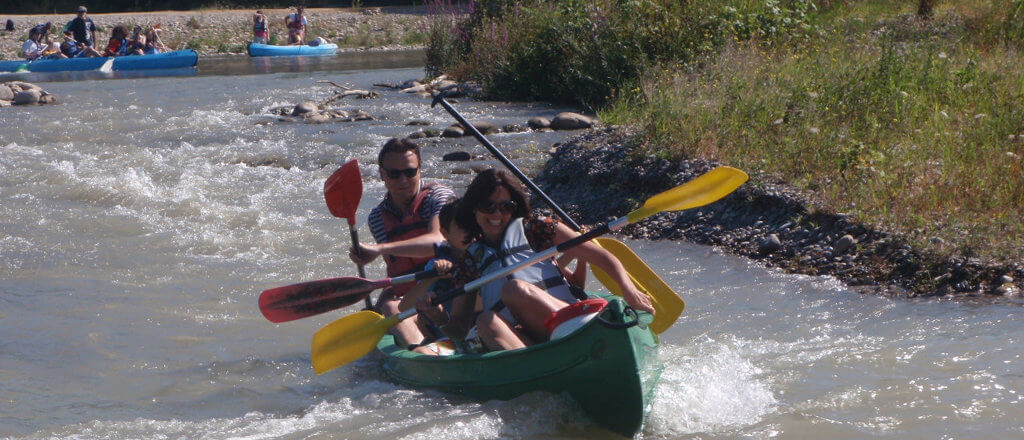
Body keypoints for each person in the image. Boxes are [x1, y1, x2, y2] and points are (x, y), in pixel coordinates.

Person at [453, 169, 655, 350]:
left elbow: (601, 256)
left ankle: (578, 340)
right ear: (474, 209)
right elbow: (459, 324)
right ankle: (537, 370)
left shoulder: (536, 229)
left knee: (513, 289)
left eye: (506, 207)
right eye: (488, 206)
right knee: (485, 320)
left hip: (569, 321)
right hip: (522, 340)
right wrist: (434, 315)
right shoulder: (470, 261)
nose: (497, 214)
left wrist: (628, 289)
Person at [348, 138, 456, 346]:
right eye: (394, 174)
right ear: (382, 175)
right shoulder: (377, 218)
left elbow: (438, 241)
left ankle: (424, 355)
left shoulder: (438, 196)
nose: (403, 180)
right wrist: (375, 311)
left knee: (392, 309)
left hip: (453, 286)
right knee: (384, 309)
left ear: (420, 170)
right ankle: (420, 350)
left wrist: (379, 249)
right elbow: (398, 277)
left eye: (410, 172)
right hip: (416, 295)